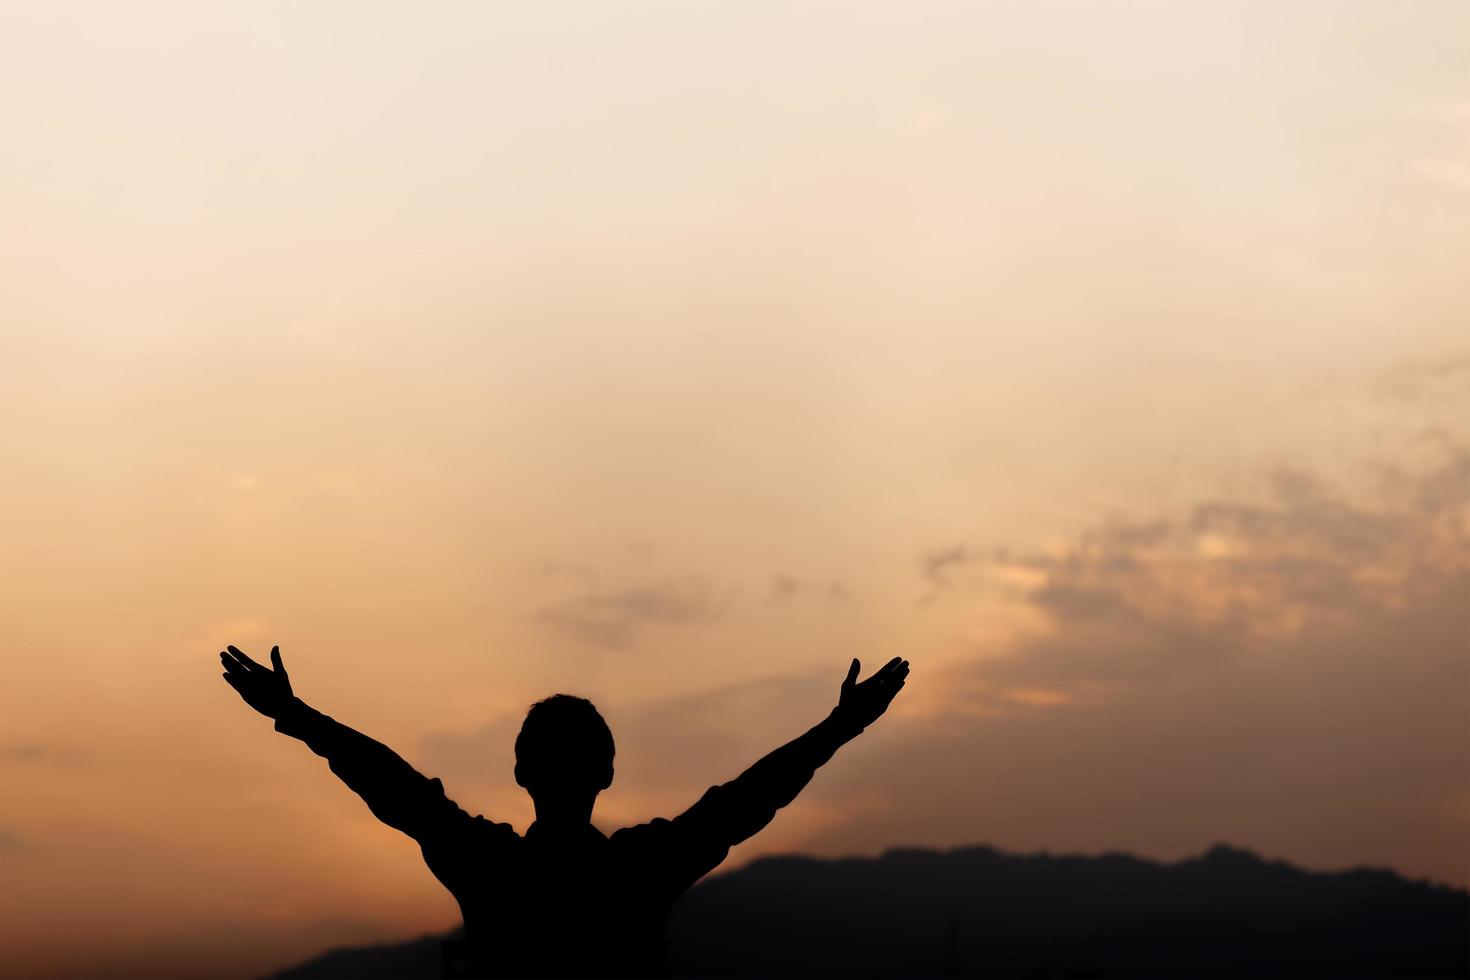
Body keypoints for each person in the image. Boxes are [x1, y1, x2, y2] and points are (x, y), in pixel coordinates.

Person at [220, 644, 909, 978]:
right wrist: (840, 727)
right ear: (608, 773)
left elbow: (392, 785)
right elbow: (752, 797)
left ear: (519, 772)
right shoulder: (642, 870)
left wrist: (296, 715)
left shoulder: (487, 865)